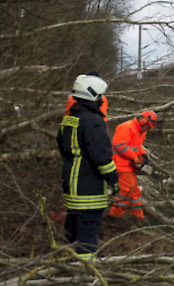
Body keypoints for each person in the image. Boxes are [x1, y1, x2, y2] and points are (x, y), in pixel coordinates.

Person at [56, 74, 119, 260]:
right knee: (87, 237)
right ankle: (84, 273)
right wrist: (114, 179)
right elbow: (102, 157)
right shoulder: (93, 121)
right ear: (91, 94)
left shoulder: (69, 119)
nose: (101, 100)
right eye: (99, 96)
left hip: (70, 185)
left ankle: (68, 267)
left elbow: (61, 146)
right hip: (88, 188)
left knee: (72, 233)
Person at [108, 110, 158, 225]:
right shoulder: (126, 127)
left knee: (135, 192)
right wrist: (134, 158)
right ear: (143, 121)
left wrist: (144, 156)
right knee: (127, 190)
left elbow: (137, 146)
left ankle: (138, 217)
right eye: (148, 127)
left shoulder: (141, 132)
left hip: (129, 165)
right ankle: (115, 216)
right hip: (119, 164)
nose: (148, 129)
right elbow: (119, 145)